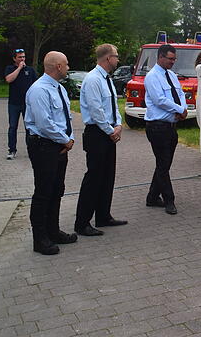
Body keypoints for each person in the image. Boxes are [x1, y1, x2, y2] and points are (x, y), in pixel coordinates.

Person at [24, 51, 77, 255]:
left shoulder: (59, 89)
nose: (68, 67)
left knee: (57, 189)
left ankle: (53, 231)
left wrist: (69, 139)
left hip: (59, 145)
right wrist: (66, 140)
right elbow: (44, 123)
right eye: (66, 64)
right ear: (57, 67)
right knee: (43, 192)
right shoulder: (39, 90)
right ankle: (40, 239)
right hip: (43, 146)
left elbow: (66, 118)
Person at [74, 44, 127, 237]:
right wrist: (110, 131)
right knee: (94, 178)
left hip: (108, 132)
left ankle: (103, 215)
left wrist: (119, 125)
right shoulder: (93, 79)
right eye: (116, 56)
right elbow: (96, 110)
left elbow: (113, 106)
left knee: (107, 177)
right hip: (97, 134)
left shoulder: (107, 79)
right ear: (107, 58)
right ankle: (82, 222)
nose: (118, 59)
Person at [144, 44, 187, 215]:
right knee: (163, 164)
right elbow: (159, 100)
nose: (173, 62)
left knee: (164, 164)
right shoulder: (152, 76)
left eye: (174, 59)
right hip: (157, 127)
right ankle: (169, 200)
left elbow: (181, 94)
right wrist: (178, 109)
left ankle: (152, 197)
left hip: (171, 126)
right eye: (170, 59)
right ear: (160, 57)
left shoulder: (171, 75)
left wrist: (182, 109)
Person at [4, 48, 36, 159]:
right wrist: (18, 68)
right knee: (13, 127)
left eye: (23, 57)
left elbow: (36, 86)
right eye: (20, 57)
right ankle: (11, 150)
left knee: (29, 127)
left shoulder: (30, 70)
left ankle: (31, 150)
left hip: (27, 104)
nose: (22, 59)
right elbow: (9, 79)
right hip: (14, 104)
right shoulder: (10, 69)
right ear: (14, 59)